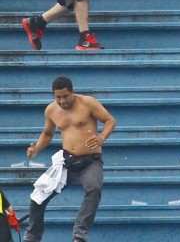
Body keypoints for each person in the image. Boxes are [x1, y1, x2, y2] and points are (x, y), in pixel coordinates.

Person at [23, 75, 116, 242]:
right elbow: (47, 134)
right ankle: (32, 237)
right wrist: (36, 148)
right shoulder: (51, 110)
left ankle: (79, 235)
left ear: (72, 92)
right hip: (66, 162)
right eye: (58, 97)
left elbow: (110, 121)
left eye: (65, 96)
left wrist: (101, 138)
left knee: (94, 188)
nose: (62, 101)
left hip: (90, 160)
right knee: (37, 196)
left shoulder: (88, 103)